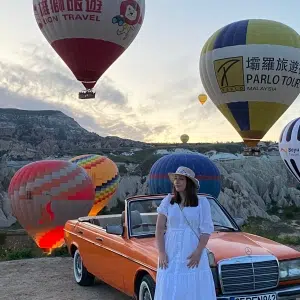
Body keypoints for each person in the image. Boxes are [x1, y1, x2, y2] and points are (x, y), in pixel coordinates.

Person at [154, 166, 216, 300]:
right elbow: (159, 229)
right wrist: (162, 252)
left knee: (193, 284)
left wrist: (199, 252)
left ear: (189, 183)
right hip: (170, 250)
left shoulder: (202, 203)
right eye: (176, 179)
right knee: (170, 282)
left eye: (181, 179)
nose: (177, 181)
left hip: (192, 249)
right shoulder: (168, 201)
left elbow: (206, 230)